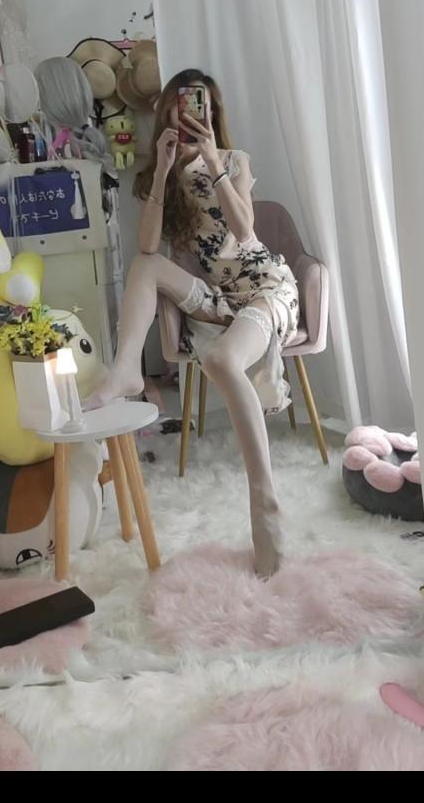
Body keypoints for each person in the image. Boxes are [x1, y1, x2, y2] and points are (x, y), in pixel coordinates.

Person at [87, 69, 299, 576]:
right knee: (145, 267)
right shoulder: (160, 172)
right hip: (219, 295)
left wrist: (213, 163)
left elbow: (244, 231)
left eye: (199, 105)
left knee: (223, 359)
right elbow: (146, 248)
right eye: (180, 105)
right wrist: (163, 171)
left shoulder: (234, 159)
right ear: (167, 111)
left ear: (212, 112)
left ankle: (265, 503)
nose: (189, 114)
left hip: (264, 286)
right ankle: (127, 371)